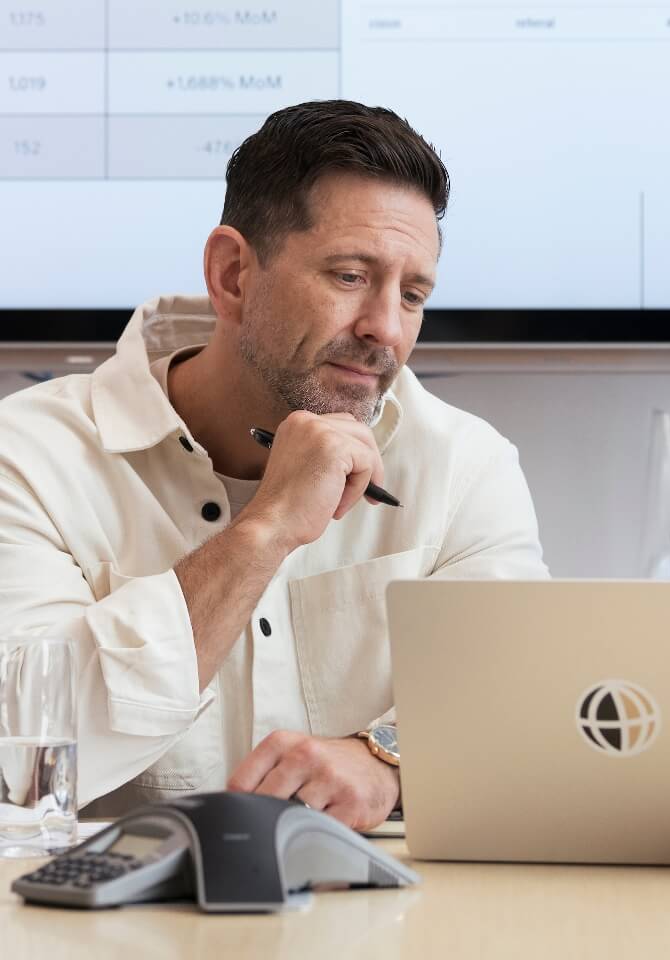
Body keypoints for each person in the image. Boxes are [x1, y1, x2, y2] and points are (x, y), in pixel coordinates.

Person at [0, 100, 548, 829]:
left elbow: (525, 707)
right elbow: (21, 764)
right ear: (232, 274)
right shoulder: (30, 457)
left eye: (412, 295)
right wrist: (266, 530)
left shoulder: (466, 465)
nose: (386, 328)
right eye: (351, 276)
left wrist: (386, 755)